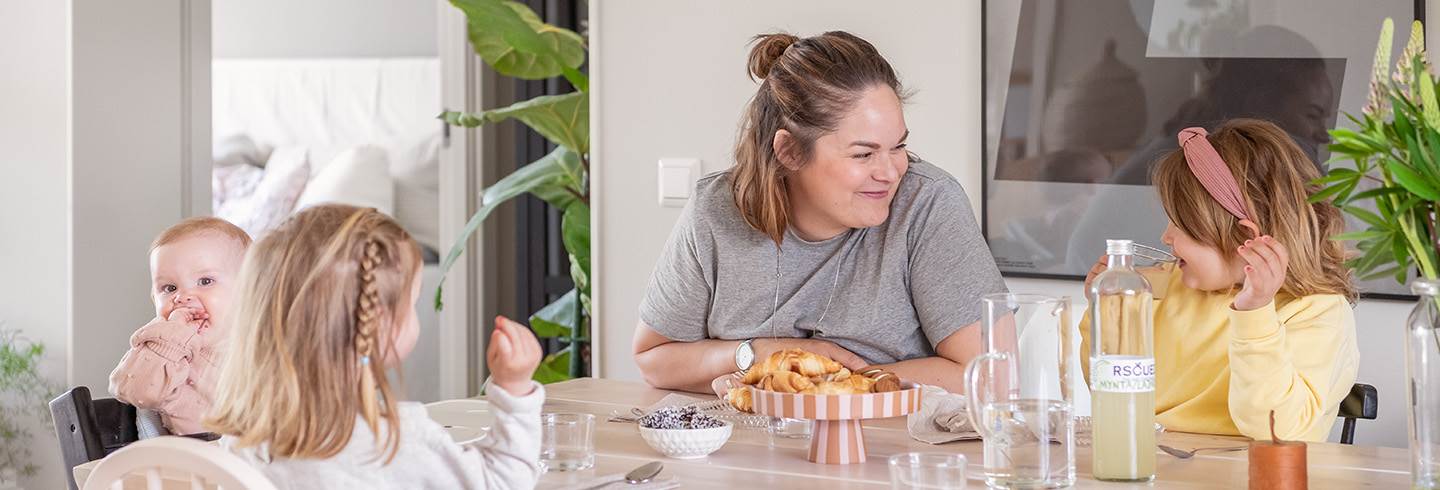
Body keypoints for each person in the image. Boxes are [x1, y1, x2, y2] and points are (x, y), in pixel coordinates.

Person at [633, 31, 1007, 394]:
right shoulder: (715, 213)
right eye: (863, 154)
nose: (892, 171)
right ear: (790, 151)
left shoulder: (927, 205)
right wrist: (755, 354)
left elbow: (995, 375)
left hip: (889, 450)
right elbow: (654, 359)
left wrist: (825, 384)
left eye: (898, 146)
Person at [206, 205, 546, 489]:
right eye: (412, 303)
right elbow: (503, 483)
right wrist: (514, 390)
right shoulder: (396, 442)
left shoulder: (240, 439)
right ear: (378, 323)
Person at [1081, 119, 1358, 441]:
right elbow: (1111, 395)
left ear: (1246, 239)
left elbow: (1279, 430)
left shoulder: (1317, 312)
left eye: (1179, 224)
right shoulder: (1160, 287)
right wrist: (1105, 313)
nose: (1165, 237)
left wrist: (1255, 314)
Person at [110, 217, 251, 436]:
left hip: (261, 461)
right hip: (190, 464)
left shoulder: (265, 352)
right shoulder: (162, 350)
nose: (182, 297)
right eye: (169, 288)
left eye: (205, 281)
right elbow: (133, 389)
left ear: (249, 288)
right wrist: (172, 336)